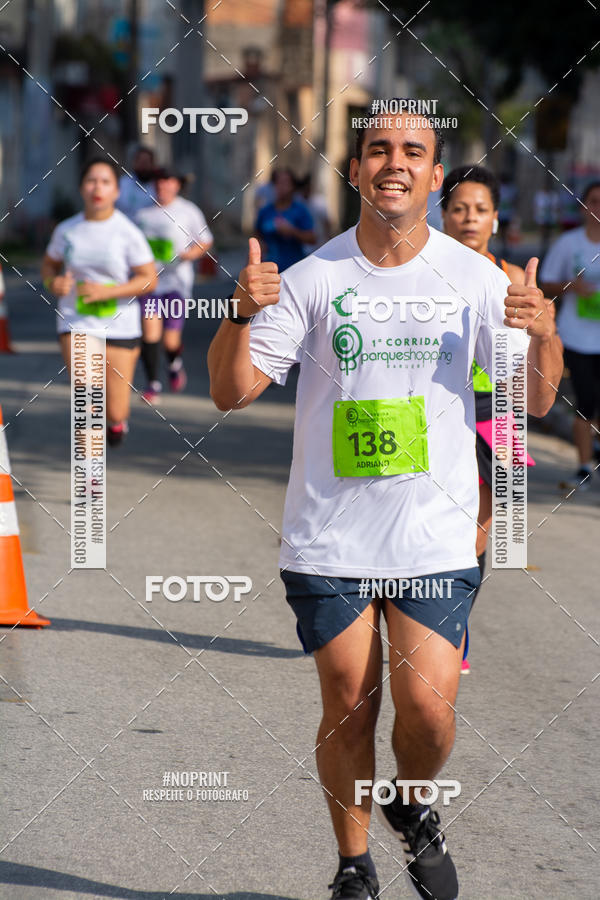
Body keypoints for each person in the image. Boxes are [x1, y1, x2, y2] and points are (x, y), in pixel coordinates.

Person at [208, 104, 561, 900]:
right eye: (377, 149)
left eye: (413, 150)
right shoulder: (312, 278)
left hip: (433, 536)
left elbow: (533, 403)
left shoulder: (478, 280)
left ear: (436, 177)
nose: (393, 162)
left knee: (429, 715)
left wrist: (542, 336)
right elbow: (230, 392)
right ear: (357, 169)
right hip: (328, 537)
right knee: (349, 701)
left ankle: (411, 800)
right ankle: (354, 865)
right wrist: (238, 314)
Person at [440, 164, 545, 674]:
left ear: (496, 219)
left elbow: (538, 352)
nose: (468, 218)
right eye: (458, 208)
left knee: (482, 531)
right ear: (442, 215)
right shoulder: (426, 273)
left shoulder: (511, 280)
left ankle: (454, 624)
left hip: (500, 409)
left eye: (480, 210)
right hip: (441, 407)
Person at [42, 157, 157, 446]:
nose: (97, 187)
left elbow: (148, 278)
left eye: (105, 182)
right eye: (91, 180)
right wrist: (52, 282)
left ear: (116, 191)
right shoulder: (66, 229)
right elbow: (49, 265)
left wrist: (107, 292)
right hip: (76, 320)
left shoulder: (127, 232)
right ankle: (90, 481)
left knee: (115, 409)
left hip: (120, 326)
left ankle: (117, 423)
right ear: (81, 188)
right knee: (87, 400)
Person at [540, 180, 600, 490]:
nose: (598, 208)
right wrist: (571, 286)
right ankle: (584, 467)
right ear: (584, 207)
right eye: (594, 201)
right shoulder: (569, 244)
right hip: (577, 337)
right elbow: (545, 283)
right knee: (586, 403)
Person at [135, 167, 214, 402]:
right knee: (150, 332)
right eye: (158, 184)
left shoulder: (188, 211)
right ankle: (152, 385)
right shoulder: (142, 213)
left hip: (177, 284)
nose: (162, 188)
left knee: (170, 340)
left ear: (176, 186)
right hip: (150, 284)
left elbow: (205, 241)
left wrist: (191, 254)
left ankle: (174, 364)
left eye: (167, 184)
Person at [255, 168, 315, 270]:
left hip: (293, 268)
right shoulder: (265, 211)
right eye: (278, 182)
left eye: (285, 182)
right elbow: (257, 235)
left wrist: (292, 231)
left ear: (293, 186)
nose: (281, 186)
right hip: (268, 268)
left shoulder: (300, 210)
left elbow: (312, 239)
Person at [117, 146, 157, 220]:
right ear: (134, 163)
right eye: (141, 162)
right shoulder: (123, 183)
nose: (144, 166)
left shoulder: (158, 184)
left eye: (146, 162)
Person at [296, 173, 332, 253]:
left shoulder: (320, 201)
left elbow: (327, 223)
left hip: (318, 245)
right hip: (301, 247)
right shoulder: (296, 200)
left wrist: (328, 240)